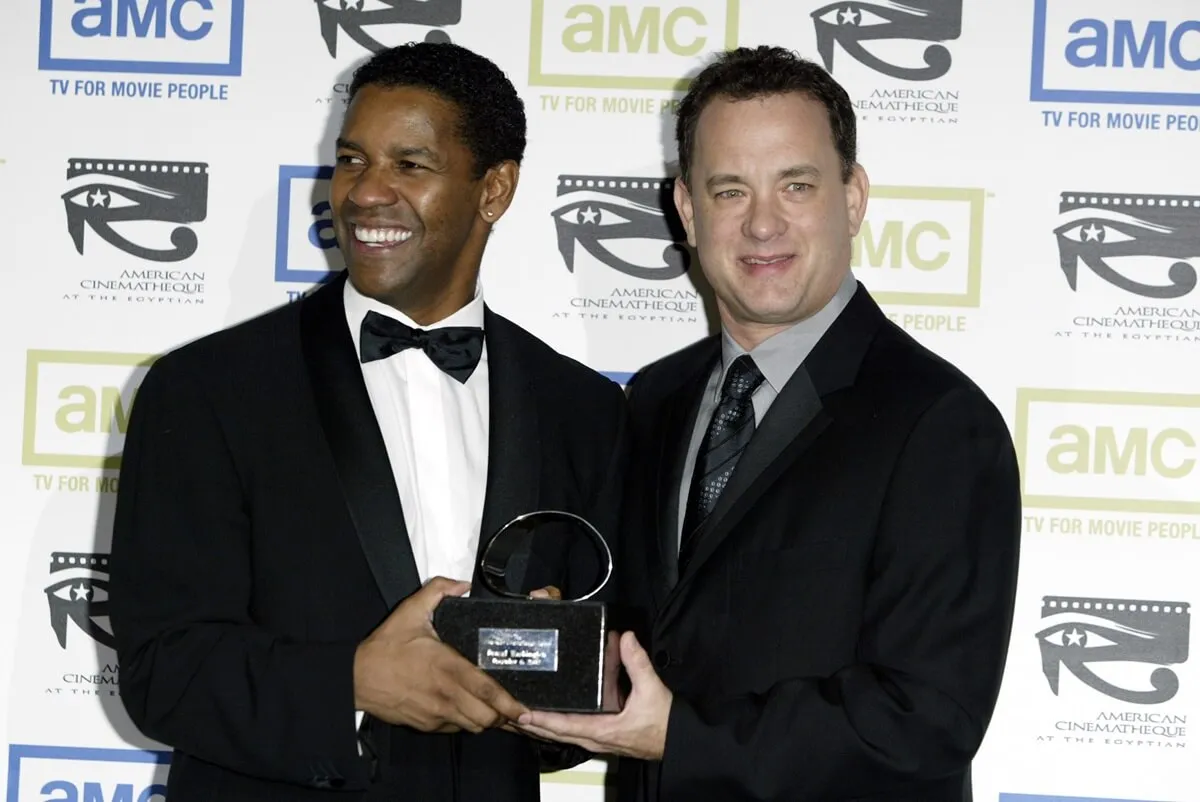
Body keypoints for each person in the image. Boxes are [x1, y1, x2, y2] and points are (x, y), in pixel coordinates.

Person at [108, 42, 627, 801]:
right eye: (352, 160)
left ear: (495, 189)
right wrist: (352, 683)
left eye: (410, 165)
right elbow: (162, 670)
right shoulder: (206, 390)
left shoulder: (583, 408)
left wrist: (552, 669)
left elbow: (575, 706)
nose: (365, 193)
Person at [515, 45, 1023, 801]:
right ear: (687, 210)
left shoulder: (939, 423)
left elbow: (926, 716)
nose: (761, 224)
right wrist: (543, 658)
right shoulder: (654, 400)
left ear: (852, 198)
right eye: (729, 190)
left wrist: (681, 737)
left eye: (796, 185)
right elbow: (646, 651)